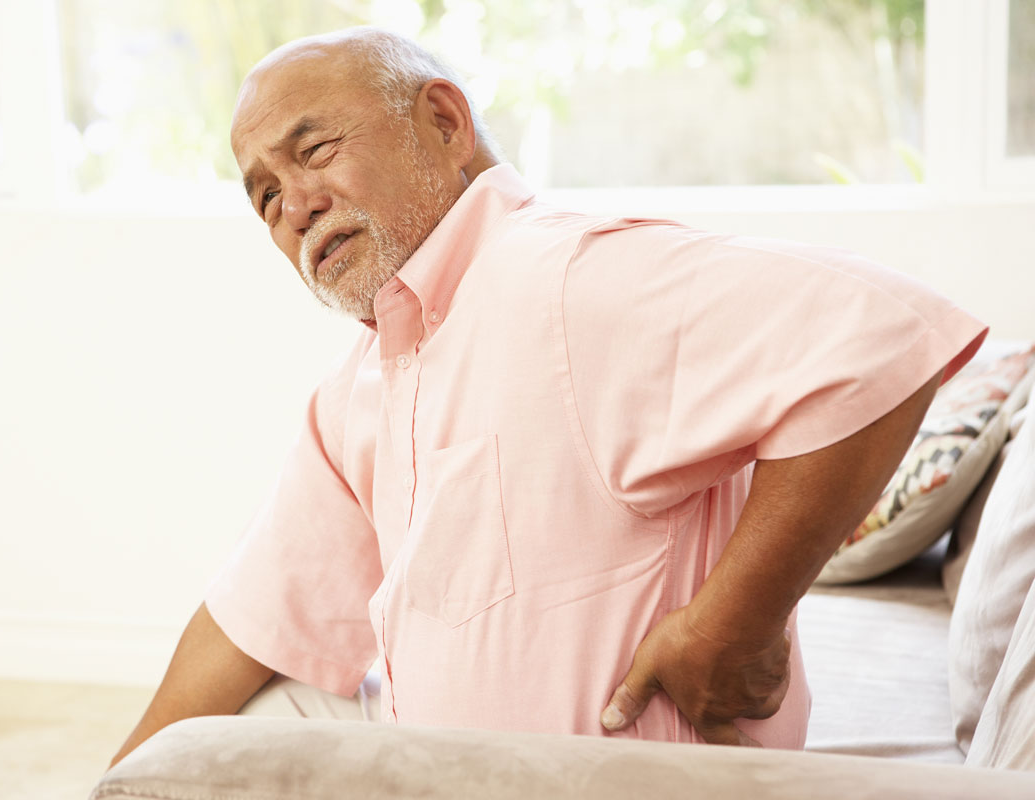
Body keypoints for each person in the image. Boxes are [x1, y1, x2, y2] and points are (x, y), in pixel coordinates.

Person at [109, 26, 987, 767]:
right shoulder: (361, 388)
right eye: (264, 196)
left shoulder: (564, 280)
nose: (293, 206)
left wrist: (735, 624)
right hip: (442, 765)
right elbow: (248, 621)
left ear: (444, 124)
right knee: (226, 736)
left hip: (600, 781)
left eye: (315, 150)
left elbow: (880, 336)